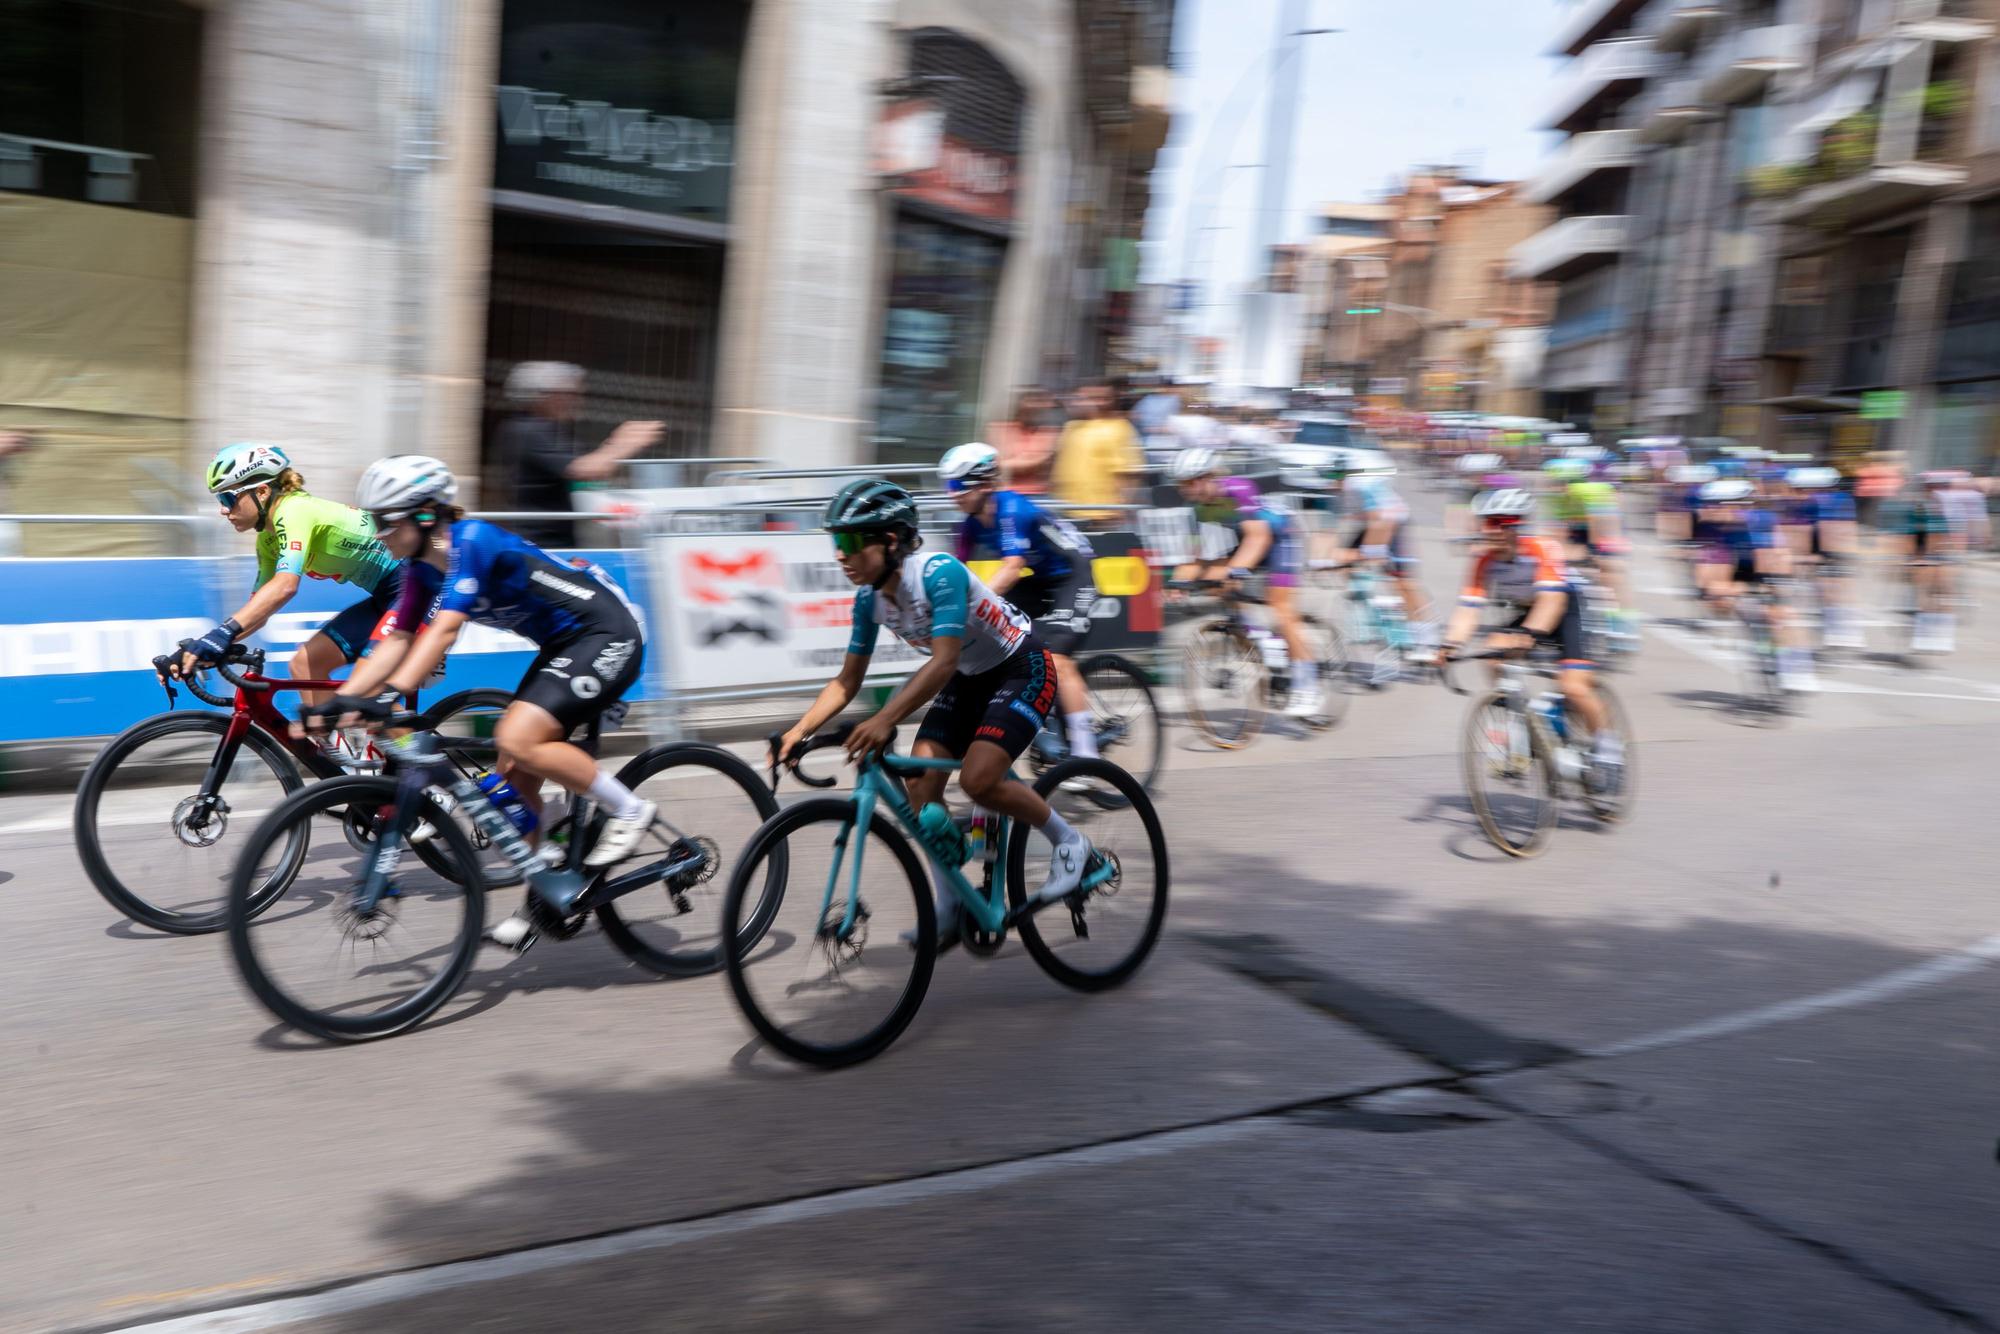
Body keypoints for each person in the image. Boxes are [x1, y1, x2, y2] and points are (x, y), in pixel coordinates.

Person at [305, 455, 653, 950]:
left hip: (607, 632)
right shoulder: (421, 568)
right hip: (565, 646)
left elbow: (444, 629)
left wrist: (383, 699)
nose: (377, 532)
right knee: (515, 775)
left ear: (425, 515)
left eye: (385, 521)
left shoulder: (473, 542)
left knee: (516, 737)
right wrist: (344, 699)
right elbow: (400, 637)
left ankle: (629, 809)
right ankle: (541, 898)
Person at [774, 479, 1099, 948]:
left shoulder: (937, 574)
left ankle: (1071, 843)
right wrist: (798, 731)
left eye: (848, 542)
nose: (839, 555)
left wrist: (886, 719)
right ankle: (949, 905)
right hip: (970, 677)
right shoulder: (869, 601)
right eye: (835, 544)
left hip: (1020, 667)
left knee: (978, 779)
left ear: (889, 541)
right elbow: (847, 682)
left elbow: (943, 659)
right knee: (921, 783)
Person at [164, 443, 405, 720]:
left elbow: (286, 585)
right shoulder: (267, 540)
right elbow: (258, 610)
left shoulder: (295, 510)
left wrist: (221, 635)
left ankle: (420, 762)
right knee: (305, 665)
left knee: (365, 694)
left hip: (418, 586)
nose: (223, 510)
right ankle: (332, 759)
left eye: (228, 499)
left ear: (262, 491)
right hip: (387, 596)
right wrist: (202, 648)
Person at [1441, 489, 1622, 785]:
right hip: (1530, 612)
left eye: (1503, 522)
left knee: (1573, 687)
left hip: (1568, 610)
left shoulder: (1541, 549)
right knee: (1493, 654)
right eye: (1488, 522)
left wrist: (1528, 635)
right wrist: (1450, 644)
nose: (1494, 529)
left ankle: (1609, 749)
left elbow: (1552, 603)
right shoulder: (1484, 561)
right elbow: (1468, 610)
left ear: (1516, 526)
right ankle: (1517, 725)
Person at [940, 442, 1098, 760]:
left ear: (982, 484)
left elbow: (1012, 568)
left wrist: (969, 606)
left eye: (956, 486)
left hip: (1073, 574)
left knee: (1058, 661)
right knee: (998, 637)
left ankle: (1087, 755)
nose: (950, 494)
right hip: (1039, 580)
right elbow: (958, 573)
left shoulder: (1010, 508)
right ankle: (1039, 715)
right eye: (947, 486)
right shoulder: (969, 525)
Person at [1168, 447, 1321, 718]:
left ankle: (1308, 686)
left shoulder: (1238, 488)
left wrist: (1236, 569)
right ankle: (1257, 639)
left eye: (1189, 482)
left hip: (1280, 539)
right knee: (1219, 584)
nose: (1184, 489)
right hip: (1249, 543)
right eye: (1181, 484)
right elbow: (1197, 556)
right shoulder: (1198, 509)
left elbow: (1258, 537)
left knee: (1281, 608)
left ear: (1207, 477)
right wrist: (1177, 581)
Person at [488, 361, 663, 547]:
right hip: (541, 543)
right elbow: (586, 469)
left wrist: (614, 449)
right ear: (545, 395)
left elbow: (592, 465)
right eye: (569, 394)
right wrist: (624, 443)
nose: (577, 401)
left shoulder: (543, 429)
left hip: (556, 539)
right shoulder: (530, 430)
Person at [1694, 477, 1818, 689]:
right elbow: (1706, 564)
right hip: (1733, 565)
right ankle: (1757, 641)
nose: (1708, 510)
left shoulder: (1759, 521)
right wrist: (1711, 590)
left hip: (1765, 564)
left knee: (1782, 613)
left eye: (1715, 505)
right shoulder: (1710, 527)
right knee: (1720, 597)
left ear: (1736, 505)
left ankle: (1798, 667)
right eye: (1707, 504)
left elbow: (1777, 560)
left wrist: (1771, 589)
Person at [1342, 461, 1438, 658]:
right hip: (1375, 523)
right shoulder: (1342, 489)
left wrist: (1372, 552)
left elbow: (1382, 521)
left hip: (1394, 521)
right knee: (1345, 560)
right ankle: (1365, 616)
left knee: (1403, 583)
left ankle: (1425, 639)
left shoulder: (1360, 486)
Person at [1052, 382, 1144, 522]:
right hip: (1066, 510)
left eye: (1097, 397)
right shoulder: (1071, 427)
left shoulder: (1119, 428)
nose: (1083, 402)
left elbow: (1128, 474)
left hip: (1101, 513)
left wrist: (1121, 507)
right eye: (1081, 397)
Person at [986, 387, 1061, 495]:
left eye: (1041, 403)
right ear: (1020, 404)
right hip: (1005, 493)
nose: (1038, 408)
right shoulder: (1000, 428)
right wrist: (1025, 460)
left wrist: (1006, 463)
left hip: (1036, 495)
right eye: (1033, 402)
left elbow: (1035, 464)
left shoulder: (1048, 432)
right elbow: (994, 462)